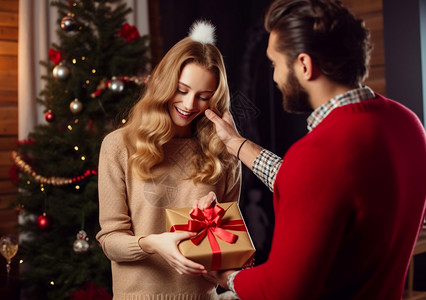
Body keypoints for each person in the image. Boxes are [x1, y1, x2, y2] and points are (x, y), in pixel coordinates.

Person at [196, 0, 426, 299]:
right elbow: (325, 191)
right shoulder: (408, 124)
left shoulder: (319, 155)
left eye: (275, 64)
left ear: (304, 65)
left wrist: (228, 278)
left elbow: (284, 289)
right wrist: (236, 144)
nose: (276, 77)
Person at [96, 20, 241, 300]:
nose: (189, 105)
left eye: (203, 97)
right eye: (182, 90)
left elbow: (228, 248)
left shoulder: (223, 152)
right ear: (164, 84)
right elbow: (110, 241)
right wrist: (152, 244)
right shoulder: (118, 145)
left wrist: (212, 221)